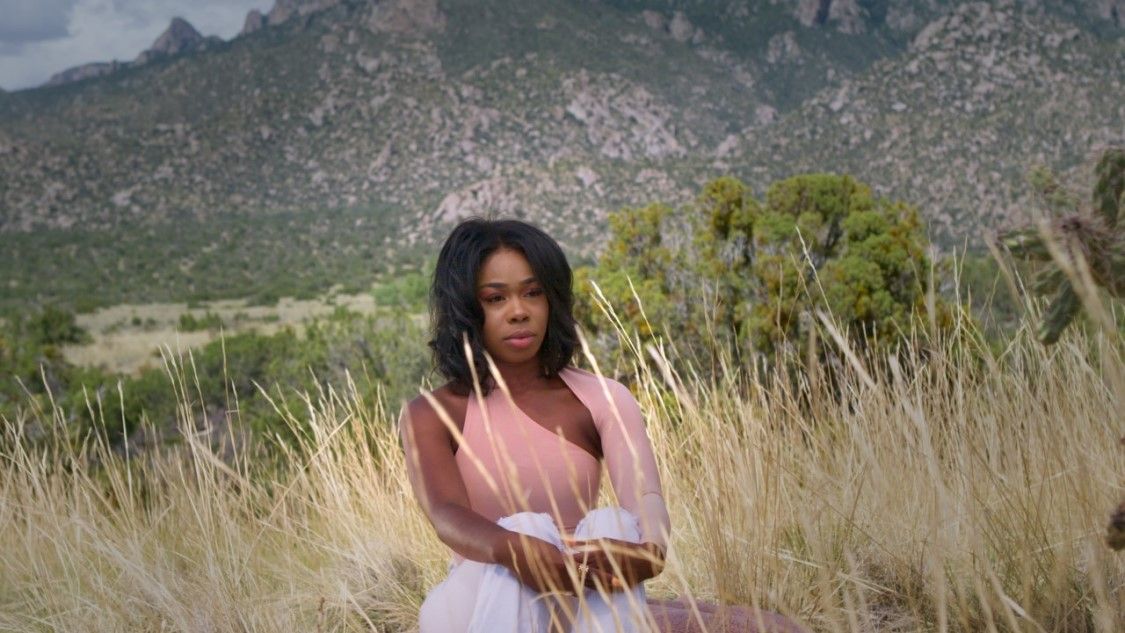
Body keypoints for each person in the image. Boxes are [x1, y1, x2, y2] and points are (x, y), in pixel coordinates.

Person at [400, 218, 805, 633]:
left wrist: (649, 551)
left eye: (533, 293)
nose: (519, 311)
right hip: (479, 604)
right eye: (495, 298)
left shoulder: (601, 398)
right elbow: (446, 514)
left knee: (612, 526)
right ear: (466, 307)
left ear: (552, 300)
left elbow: (644, 495)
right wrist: (512, 548)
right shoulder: (433, 412)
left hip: (583, 597)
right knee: (525, 527)